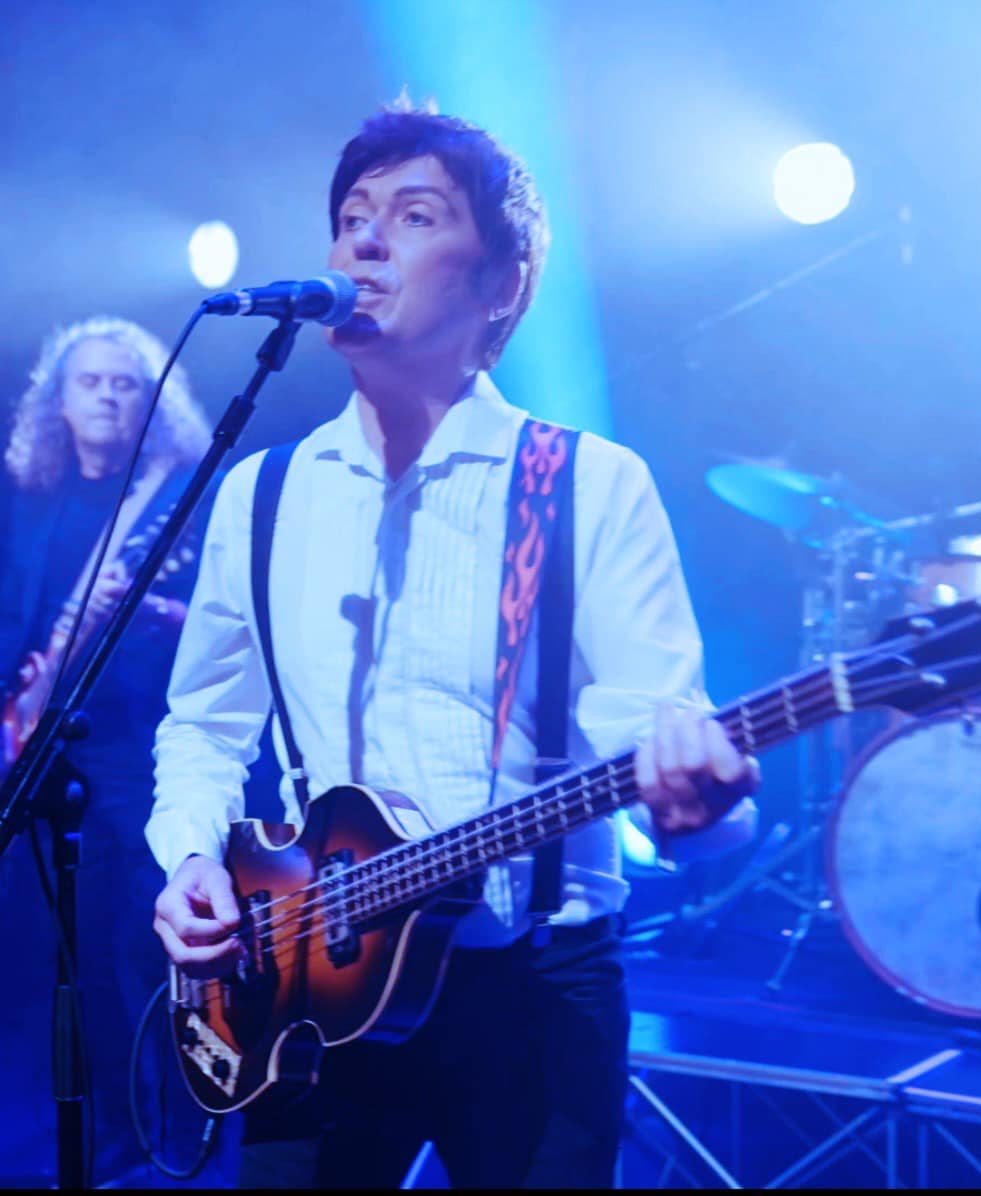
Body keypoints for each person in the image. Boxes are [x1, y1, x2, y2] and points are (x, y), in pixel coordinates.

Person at [147, 97, 761, 1190]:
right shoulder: (263, 491)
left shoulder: (586, 485)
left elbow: (659, 735)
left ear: (502, 284)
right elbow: (204, 719)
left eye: (416, 215)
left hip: (532, 986)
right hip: (301, 982)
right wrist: (191, 854)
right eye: (352, 216)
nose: (365, 241)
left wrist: (697, 807)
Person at [0, 315, 216, 1186]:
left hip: (135, 753)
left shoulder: (178, 494)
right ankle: (72, 1134)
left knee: (135, 954)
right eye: (90, 382)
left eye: (126, 383)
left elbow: (219, 626)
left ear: (152, 403)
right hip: (40, 754)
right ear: (58, 400)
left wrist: (149, 614)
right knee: (56, 959)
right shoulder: (31, 501)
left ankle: (152, 1140)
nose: (108, 396)